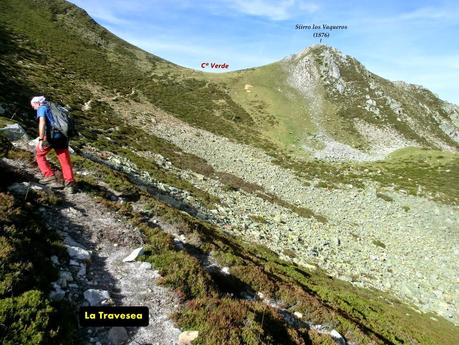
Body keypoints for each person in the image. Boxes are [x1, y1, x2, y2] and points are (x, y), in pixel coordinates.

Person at [30, 96, 76, 193]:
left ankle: (49, 177)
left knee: (39, 154)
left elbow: (42, 122)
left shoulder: (42, 108)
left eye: (33, 105)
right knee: (65, 160)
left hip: (52, 136)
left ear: (37, 103)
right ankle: (70, 184)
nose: (33, 108)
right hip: (63, 136)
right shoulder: (53, 107)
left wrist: (41, 139)